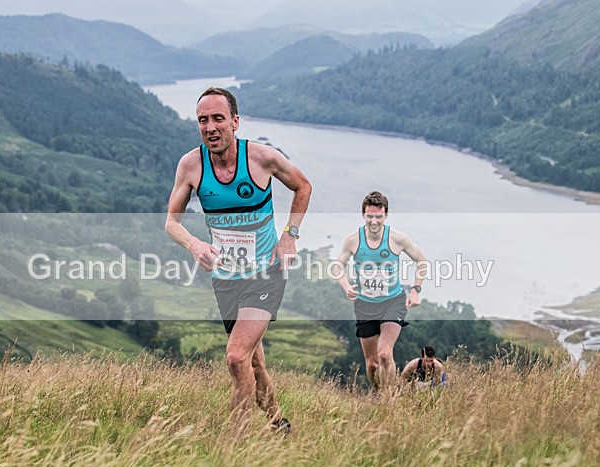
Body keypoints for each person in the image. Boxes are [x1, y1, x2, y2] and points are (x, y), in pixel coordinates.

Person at [165, 87, 312, 434]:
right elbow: (171, 223)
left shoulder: (263, 158)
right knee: (254, 362)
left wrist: (289, 235)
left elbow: (303, 186)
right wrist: (194, 245)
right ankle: (279, 424)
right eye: (203, 120)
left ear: (235, 121)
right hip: (226, 278)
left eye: (218, 118)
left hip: (265, 273)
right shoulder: (191, 165)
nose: (210, 127)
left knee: (235, 357)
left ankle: (234, 445)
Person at [334, 191, 427, 391]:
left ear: (386, 215)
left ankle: (388, 399)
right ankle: (381, 392)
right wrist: (346, 286)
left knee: (385, 354)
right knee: (372, 363)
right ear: (363, 215)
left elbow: (421, 261)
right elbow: (337, 266)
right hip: (365, 304)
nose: (374, 221)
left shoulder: (398, 239)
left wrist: (415, 290)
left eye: (378, 216)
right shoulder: (353, 240)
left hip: (392, 301)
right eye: (370, 216)